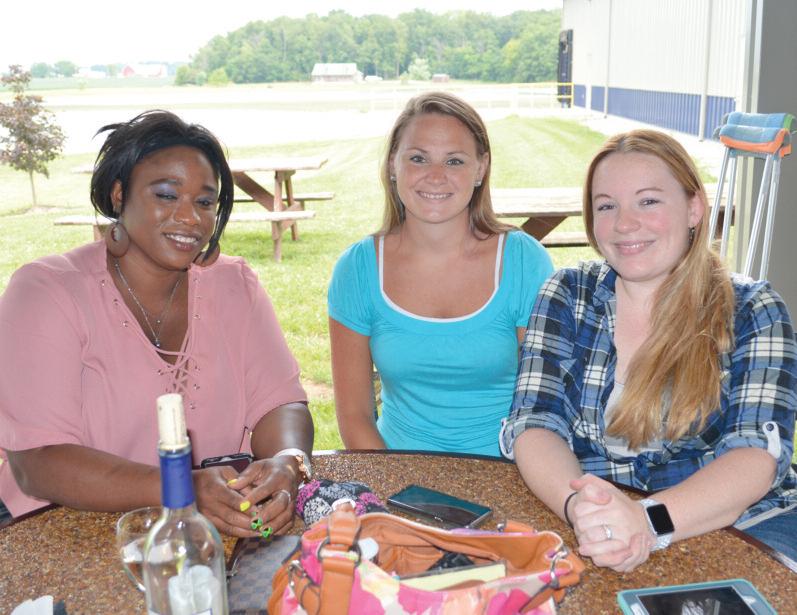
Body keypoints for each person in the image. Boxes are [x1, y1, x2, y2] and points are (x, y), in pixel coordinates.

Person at [0, 110, 314, 537]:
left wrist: (288, 463)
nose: (190, 217)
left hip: (215, 535)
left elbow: (280, 401)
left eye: (205, 202)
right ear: (118, 195)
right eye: (167, 195)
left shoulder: (234, 285)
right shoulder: (47, 292)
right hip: (65, 536)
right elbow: (37, 461)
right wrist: (181, 488)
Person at [500, 129, 797, 570]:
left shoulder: (753, 309)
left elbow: (755, 456)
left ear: (694, 208)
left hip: (744, 525)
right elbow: (536, 423)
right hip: (596, 522)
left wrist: (645, 520)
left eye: (648, 201)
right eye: (607, 206)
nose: (625, 223)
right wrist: (580, 509)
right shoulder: (567, 294)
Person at [328, 92, 553, 457]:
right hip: (394, 471)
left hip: (511, 470)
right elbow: (355, 418)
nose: (435, 176)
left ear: (480, 169)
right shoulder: (357, 268)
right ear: (393, 164)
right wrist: (399, 485)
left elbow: (545, 407)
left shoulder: (524, 261)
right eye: (418, 158)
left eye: (454, 160)